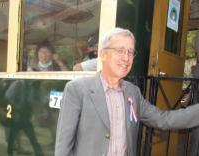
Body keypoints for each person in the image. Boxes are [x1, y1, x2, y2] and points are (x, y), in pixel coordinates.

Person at [55, 27, 199, 156]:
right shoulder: (77, 89)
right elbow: (63, 145)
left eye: (130, 52)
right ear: (103, 54)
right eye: (120, 51)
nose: (126, 58)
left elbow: (163, 119)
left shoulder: (133, 92)